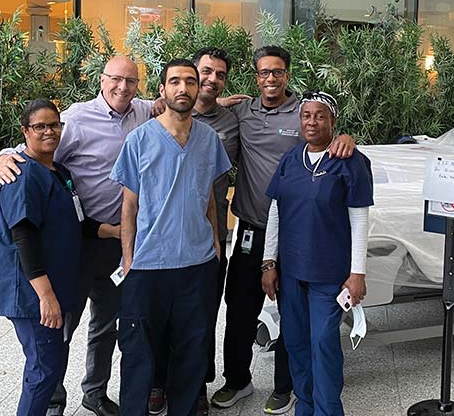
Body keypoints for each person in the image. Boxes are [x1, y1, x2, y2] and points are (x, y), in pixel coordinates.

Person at [0, 56, 153, 416]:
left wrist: (217, 101)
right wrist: (1, 158)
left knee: (106, 325)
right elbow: (31, 152)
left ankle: (94, 392)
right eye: (116, 79)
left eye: (131, 81)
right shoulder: (76, 118)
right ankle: (51, 397)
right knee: (61, 325)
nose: (123, 87)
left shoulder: (143, 112)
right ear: (102, 79)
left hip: (116, 242)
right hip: (75, 249)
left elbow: (180, 102)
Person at [213, 46, 354, 415]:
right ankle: (237, 380)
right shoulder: (242, 110)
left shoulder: (303, 112)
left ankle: (284, 386)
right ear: (255, 76)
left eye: (277, 72)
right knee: (240, 306)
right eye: (263, 73)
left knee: (290, 313)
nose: (270, 79)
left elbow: (327, 134)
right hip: (250, 226)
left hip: (294, 234)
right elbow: (197, 102)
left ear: (287, 75)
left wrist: (347, 138)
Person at [111, 58, 232, 416]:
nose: (183, 88)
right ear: (162, 90)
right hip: (148, 265)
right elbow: (128, 206)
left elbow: (209, 193)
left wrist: (215, 238)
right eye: (175, 82)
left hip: (196, 264)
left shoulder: (209, 139)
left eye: (190, 82)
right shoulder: (140, 140)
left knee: (192, 348)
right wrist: (129, 257)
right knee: (138, 351)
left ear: (198, 90)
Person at [261, 91, 373, 416]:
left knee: (323, 342)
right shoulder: (290, 160)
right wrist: (269, 262)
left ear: (332, 121)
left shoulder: (351, 162)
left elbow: (360, 218)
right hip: (292, 271)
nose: (312, 122)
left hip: (330, 274)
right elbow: (275, 213)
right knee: (296, 343)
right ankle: (305, 406)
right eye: (307, 116)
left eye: (320, 116)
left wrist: (357, 273)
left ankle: (327, 410)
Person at [149, 47, 242, 416]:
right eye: (205, 72)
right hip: (161, 238)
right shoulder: (157, 112)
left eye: (220, 75)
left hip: (209, 236)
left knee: (201, 315)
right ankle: (159, 381)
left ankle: (197, 385)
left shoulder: (234, 119)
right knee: (162, 315)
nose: (211, 80)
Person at [0, 100, 83, 416]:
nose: (49, 131)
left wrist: (118, 231)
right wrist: (46, 297)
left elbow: (74, 221)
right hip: (33, 294)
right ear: (25, 131)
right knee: (43, 371)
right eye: (40, 126)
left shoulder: (57, 171)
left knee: (49, 365)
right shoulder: (21, 175)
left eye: (54, 125)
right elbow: (24, 236)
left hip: (53, 286)